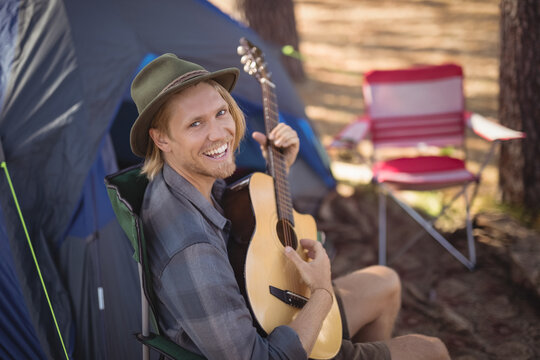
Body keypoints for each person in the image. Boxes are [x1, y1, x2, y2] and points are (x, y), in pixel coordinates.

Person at [130, 53, 450, 360]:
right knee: (431, 350)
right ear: (161, 139)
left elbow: (242, 218)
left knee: (386, 281)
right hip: (271, 343)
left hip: (264, 307)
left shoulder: (183, 184)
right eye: (195, 124)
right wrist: (322, 292)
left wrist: (278, 172)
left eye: (220, 112)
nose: (218, 133)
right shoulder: (191, 250)